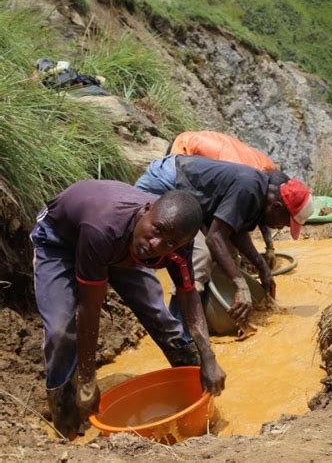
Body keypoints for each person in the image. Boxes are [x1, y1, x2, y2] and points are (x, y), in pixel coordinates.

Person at [30, 180, 226, 440]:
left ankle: (196, 400)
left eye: (169, 243)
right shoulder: (102, 227)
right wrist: (88, 380)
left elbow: (188, 296)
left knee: (162, 319)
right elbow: (89, 308)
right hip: (61, 240)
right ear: (147, 210)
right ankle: (66, 425)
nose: (156, 244)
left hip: (122, 246)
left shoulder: (175, 241)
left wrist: (209, 359)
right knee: (60, 332)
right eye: (156, 230)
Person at [135, 155, 314, 330]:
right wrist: (241, 285)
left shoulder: (259, 194)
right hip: (164, 186)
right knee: (199, 254)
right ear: (276, 207)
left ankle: (204, 312)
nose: (281, 228)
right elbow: (215, 238)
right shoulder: (249, 188)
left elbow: (236, 232)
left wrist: (263, 268)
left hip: (192, 200)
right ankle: (180, 329)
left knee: (231, 258)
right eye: (284, 222)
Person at [169, 130, 277, 267]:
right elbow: (229, 218)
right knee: (204, 233)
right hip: (186, 153)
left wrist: (270, 247)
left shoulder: (264, 173)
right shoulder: (247, 181)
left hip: (202, 147)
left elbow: (261, 213)